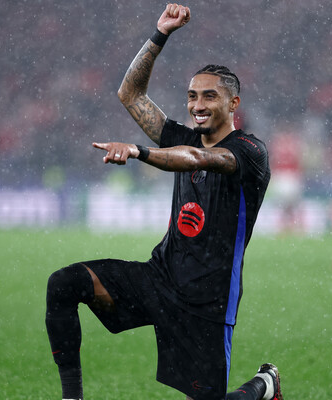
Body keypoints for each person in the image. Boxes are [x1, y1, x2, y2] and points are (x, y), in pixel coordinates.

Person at [45, 4, 281, 400]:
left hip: (208, 302)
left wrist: (139, 151)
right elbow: (130, 94)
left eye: (210, 96)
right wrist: (160, 35)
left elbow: (197, 158)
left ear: (233, 104)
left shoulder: (249, 151)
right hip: (158, 279)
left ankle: (264, 384)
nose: (198, 105)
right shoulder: (184, 136)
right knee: (64, 284)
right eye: (192, 96)